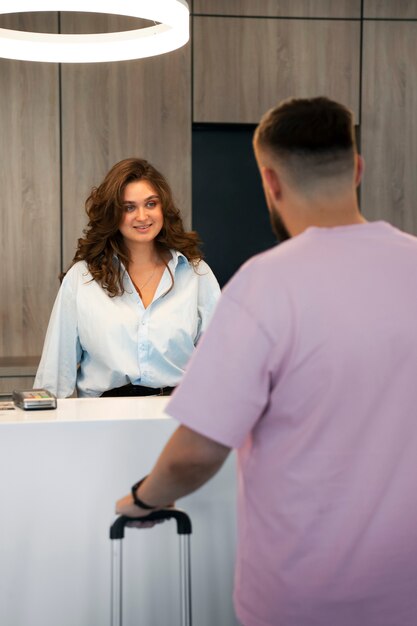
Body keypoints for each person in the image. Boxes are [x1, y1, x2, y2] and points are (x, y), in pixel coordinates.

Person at [116, 97, 417, 626]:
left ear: (270, 182)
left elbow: (196, 453)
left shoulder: (264, 284)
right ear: (358, 170)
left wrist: (142, 500)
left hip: (300, 596)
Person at [34, 158, 220, 398]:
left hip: (175, 418)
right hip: (101, 422)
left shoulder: (196, 274)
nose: (142, 216)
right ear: (113, 214)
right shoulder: (82, 278)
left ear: (163, 207)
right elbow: (55, 373)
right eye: (128, 207)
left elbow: (221, 361)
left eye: (150, 204)